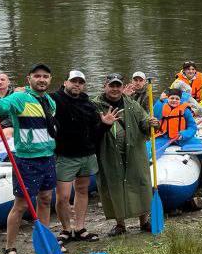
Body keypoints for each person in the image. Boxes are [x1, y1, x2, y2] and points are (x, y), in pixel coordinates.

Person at [0, 64, 59, 254]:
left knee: (46, 199)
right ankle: (9, 247)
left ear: (50, 79)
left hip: (48, 157)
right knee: (21, 205)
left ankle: (45, 239)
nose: (42, 79)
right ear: (29, 79)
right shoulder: (19, 98)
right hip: (26, 160)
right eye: (37, 76)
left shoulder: (50, 101)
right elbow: (0, 107)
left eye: (45, 76)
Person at [95, 73, 159, 234]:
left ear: (123, 87)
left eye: (118, 85)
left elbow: (143, 123)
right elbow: (90, 129)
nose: (115, 89)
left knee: (140, 182)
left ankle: (144, 221)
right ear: (105, 86)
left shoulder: (132, 104)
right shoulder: (95, 105)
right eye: (112, 85)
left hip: (134, 150)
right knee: (114, 186)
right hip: (108, 152)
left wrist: (151, 123)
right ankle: (120, 224)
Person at [52, 69, 103, 243]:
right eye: (74, 81)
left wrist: (105, 125)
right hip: (64, 155)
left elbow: (96, 131)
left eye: (80, 82)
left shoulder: (88, 104)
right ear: (65, 82)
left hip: (86, 154)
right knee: (63, 197)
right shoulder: (54, 99)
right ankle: (66, 229)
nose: (77, 85)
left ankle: (80, 228)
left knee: (82, 190)